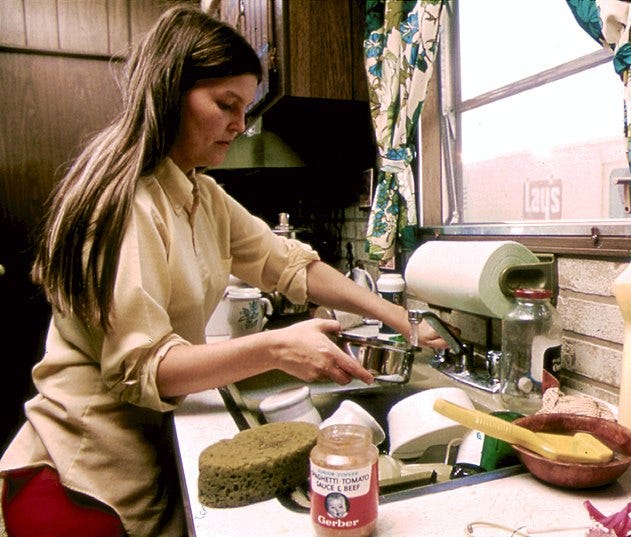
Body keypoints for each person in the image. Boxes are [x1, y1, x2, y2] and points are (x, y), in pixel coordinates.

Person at [0, 5, 446, 537]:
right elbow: (147, 368)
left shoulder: (199, 194)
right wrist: (278, 347)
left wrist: (396, 316)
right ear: (170, 93)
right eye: (225, 104)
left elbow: (290, 266)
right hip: (80, 483)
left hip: (134, 469)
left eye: (246, 107)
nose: (241, 124)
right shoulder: (124, 205)